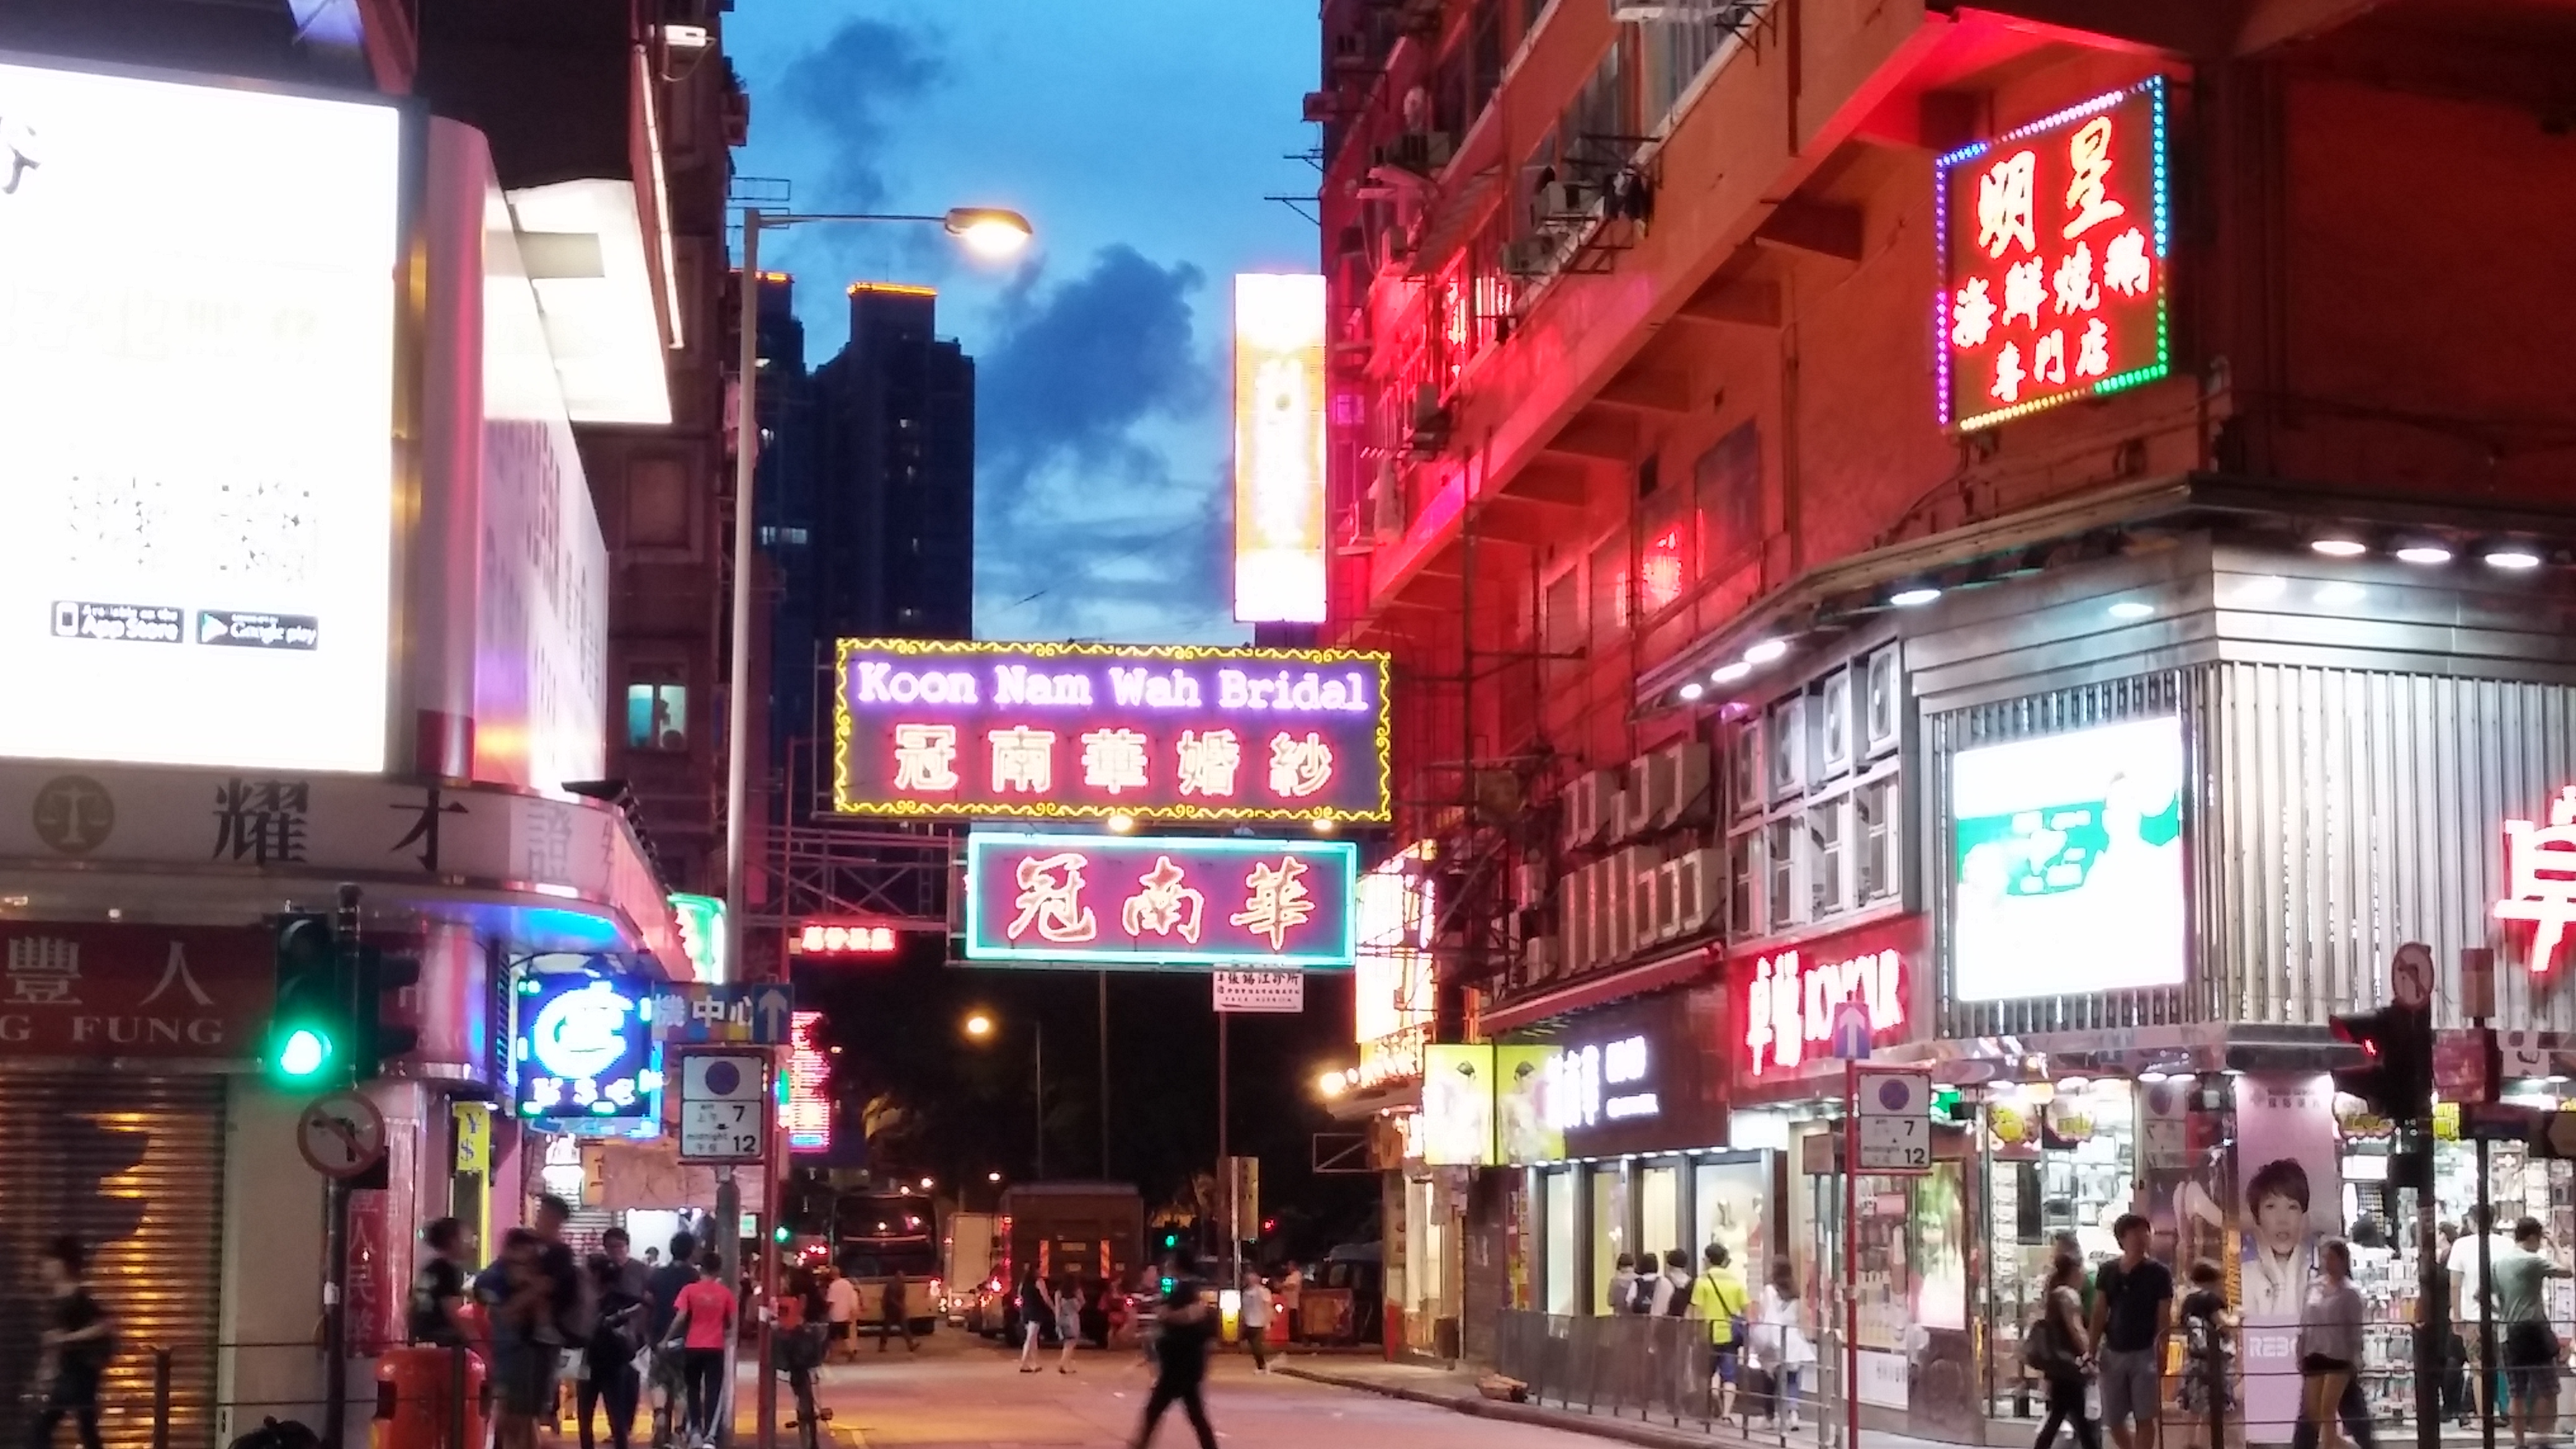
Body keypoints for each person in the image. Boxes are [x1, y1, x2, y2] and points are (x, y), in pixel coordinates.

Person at [2092, 1212, 2175, 1449]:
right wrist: (2092, 1348)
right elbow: (2099, 1312)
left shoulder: (2160, 1273)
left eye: (2145, 1232)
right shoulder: (2107, 1271)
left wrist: (2163, 1350)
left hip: (2145, 1350)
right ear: (2122, 1238)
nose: (2142, 1238)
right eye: (2135, 1233)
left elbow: (2164, 1315)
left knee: (2145, 1416)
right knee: (2114, 1418)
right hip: (2113, 1351)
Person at [2492, 1216, 2573, 1448]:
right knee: (2548, 1389)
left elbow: (2481, 1295)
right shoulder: (2532, 1261)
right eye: (2540, 1240)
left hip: (2508, 1333)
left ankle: (2519, 1442)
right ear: (2532, 1237)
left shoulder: (2499, 1263)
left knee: (2516, 1391)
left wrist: (2506, 1310)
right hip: (2534, 1331)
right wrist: (2556, 1244)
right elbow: (2568, 1270)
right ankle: (2542, 1436)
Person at [28, 1236, 112, 1449]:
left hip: (79, 1374)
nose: (44, 1269)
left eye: (48, 1263)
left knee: (43, 1427)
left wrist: (65, 1338)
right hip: (71, 1372)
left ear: (61, 1265)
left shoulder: (76, 1296)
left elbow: (104, 1326)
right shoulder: (58, 1297)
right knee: (86, 1430)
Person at [1129, 1252, 1219, 1449]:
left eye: (1171, 1263)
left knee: (1154, 1410)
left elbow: (1182, 1316)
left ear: (1178, 1265)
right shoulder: (1193, 1288)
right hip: (1189, 1364)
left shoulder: (1185, 1289)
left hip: (1178, 1365)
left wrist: (1166, 1315)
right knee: (1195, 1414)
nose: (1167, 1267)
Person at [2294, 1238, 2374, 1449]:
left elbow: (2355, 1329)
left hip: (2338, 1356)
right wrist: (2299, 1349)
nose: (2327, 1262)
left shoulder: (2350, 1292)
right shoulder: (2314, 1286)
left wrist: (2356, 1357)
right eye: (2324, 1257)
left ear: (2342, 1260)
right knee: (2313, 1412)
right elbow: (2304, 1320)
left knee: (2327, 1410)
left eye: (2331, 1257)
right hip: (2314, 1353)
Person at [2453, 1204, 2523, 1424]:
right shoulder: (2508, 1244)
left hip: (2473, 1318)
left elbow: (2455, 1284)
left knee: (2478, 1369)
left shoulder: (2461, 1245)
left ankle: (2484, 1417)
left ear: (2472, 1221)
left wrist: (2456, 1315)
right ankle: (2508, 1413)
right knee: (2505, 1368)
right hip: (2504, 1316)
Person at [487, 1230, 556, 1449]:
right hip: (512, 1357)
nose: (533, 1256)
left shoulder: (532, 1276)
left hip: (529, 1356)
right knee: (514, 1418)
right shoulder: (497, 1276)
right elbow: (505, 1314)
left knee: (527, 1418)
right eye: (528, 1250)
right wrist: (534, 1291)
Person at [2030, 1253, 2100, 1449]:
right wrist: (2090, 1355)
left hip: (2059, 1366)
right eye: (2081, 1270)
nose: (2084, 1276)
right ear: (2074, 1271)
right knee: (2075, 1416)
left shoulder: (2055, 1292)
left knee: (2064, 1413)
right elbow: (2076, 1329)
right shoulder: (2068, 1295)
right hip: (2069, 1364)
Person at [666, 1254, 738, 1445]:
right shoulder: (725, 1293)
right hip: (715, 1347)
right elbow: (730, 1324)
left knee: (692, 1388)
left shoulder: (689, 1290)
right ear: (718, 1270)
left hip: (692, 1346)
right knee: (714, 1390)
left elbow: (681, 1317)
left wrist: (667, 1338)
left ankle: (695, 1429)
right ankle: (710, 1436)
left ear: (701, 1269)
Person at [580, 1254, 647, 1449]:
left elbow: (644, 1304)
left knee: (615, 1414)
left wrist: (619, 1317)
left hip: (612, 1361)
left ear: (598, 1274)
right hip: (590, 1361)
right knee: (587, 1415)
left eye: (589, 1271)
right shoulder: (584, 1299)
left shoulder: (617, 1298)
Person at [643, 1233, 699, 1448]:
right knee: (681, 1386)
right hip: (686, 1338)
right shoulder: (694, 1276)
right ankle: (677, 1430)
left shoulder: (658, 1274)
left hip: (658, 1336)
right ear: (691, 1251)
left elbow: (648, 1302)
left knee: (657, 1380)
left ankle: (659, 1417)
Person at [2177, 1260, 2237, 1449]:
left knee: (2193, 1408)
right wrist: (2239, 1317)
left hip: (2193, 1360)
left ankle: (2190, 1444)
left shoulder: (2187, 1301)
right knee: (2212, 1410)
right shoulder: (2211, 1299)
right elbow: (2225, 1324)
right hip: (2212, 1362)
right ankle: (2208, 1444)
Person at [1749, 1261, 1815, 1432]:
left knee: (1769, 1381)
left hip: (1774, 1339)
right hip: (1794, 1338)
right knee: (1792, 1379)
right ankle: (1794, 1415)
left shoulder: (1770, 1290)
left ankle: (1770, 1417)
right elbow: (1800, 1317)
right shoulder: (1795, 1292)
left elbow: (1765, 1315)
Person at [1690, 1243, 1751, 1424]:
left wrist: (1695, 1332)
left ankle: (1710, 1404)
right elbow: (1746, 1310)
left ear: (1708, 1260)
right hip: (1731, 1335)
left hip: (1708, 1334)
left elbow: (1697, 1311)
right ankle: (1726, 1413)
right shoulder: (1735, 1283)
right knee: (1730, 1375)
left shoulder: (1702, 1282)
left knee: (1706, 1373)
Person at [409, 1217, 474, 1347]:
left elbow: (411, 1306)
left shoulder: (430, 1268)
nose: (472, 1243)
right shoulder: (449, 1270)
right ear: (453, 1242)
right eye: (467, 1238)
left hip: (422, 1335)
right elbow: (453, 1312)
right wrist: (474, 1339)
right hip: (443, 1339)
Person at [1237, 1271, 1272, 1373]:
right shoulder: (1247, 1292)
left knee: (1256, 1345)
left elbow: (1267, 1306)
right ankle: (1262, 1364)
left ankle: (1262, 1366)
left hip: (1258, 1321)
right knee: (1253, 1345)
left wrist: (1268, 1321)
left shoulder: (1261, 1292)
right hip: (1251, 1321)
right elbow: (1244, 1308)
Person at [823, 1268, 859, 1363]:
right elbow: (851, 1298)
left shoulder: (833, 1286)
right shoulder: (847, 1284)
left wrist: (826, 1312)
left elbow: (831, 1302)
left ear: (832, 1275)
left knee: (831, 1338)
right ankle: (851, 1353)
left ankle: (830, 1357)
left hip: (835, 1315)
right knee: (845, 1337)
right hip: (845, 1314)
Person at [1017, 1266, 1049, 1372]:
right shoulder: (1039, 1282)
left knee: (1033, 1339)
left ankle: (1035, 1363)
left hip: (1025, 1311)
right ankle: (1023, 1363)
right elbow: (1045, 1297)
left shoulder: (1023, 1284)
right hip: (1035, 1311)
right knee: (1030, 1338)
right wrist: (1053, 1307)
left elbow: (1019, 1297)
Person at [878, 1273, 916, 1353]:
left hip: (894, 1309)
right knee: (888, 1328)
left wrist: (902, 1306)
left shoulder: (898, 1284)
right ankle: (910, 1345)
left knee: (901, 1327)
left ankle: (911, 1345)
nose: (904, 1278)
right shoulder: (893, 1285)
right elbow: (891, 1298)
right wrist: (900, 1306)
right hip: (891, 1309)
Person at [1056, 1277, 1087, 1373]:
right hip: (1073, 1318)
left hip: (1063, 1317)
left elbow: (1058, 1308)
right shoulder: (1077, 1291)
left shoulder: (1059, 1293)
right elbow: (1083, 1302)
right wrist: (1078, 1307)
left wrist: (1057, 1321)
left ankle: (1068, 1365)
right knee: (1072, 1342)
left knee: (1067, 1342)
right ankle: (1062, 1363)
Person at [1278, 1262, 1304, 1344]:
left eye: (1289, 1266)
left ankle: (1295, 1339)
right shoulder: (1290, 1276)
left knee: (1293, 1321)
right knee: (1290, 1321)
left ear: (1293, 1266)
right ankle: (1292, 1338)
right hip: (1288, 1303)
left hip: (1293, 1303)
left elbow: (1292, 1286)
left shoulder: (1296, 1275)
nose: (1287, 1268)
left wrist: (1281, 1286)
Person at [1609, 1252, 1641, 1316]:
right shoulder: (1640, 1280)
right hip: (1636, 1318)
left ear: (1619, 1266)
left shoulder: (1615, 1281)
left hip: (1619, 1318)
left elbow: (1610, 1302)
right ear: (1634, 1265)